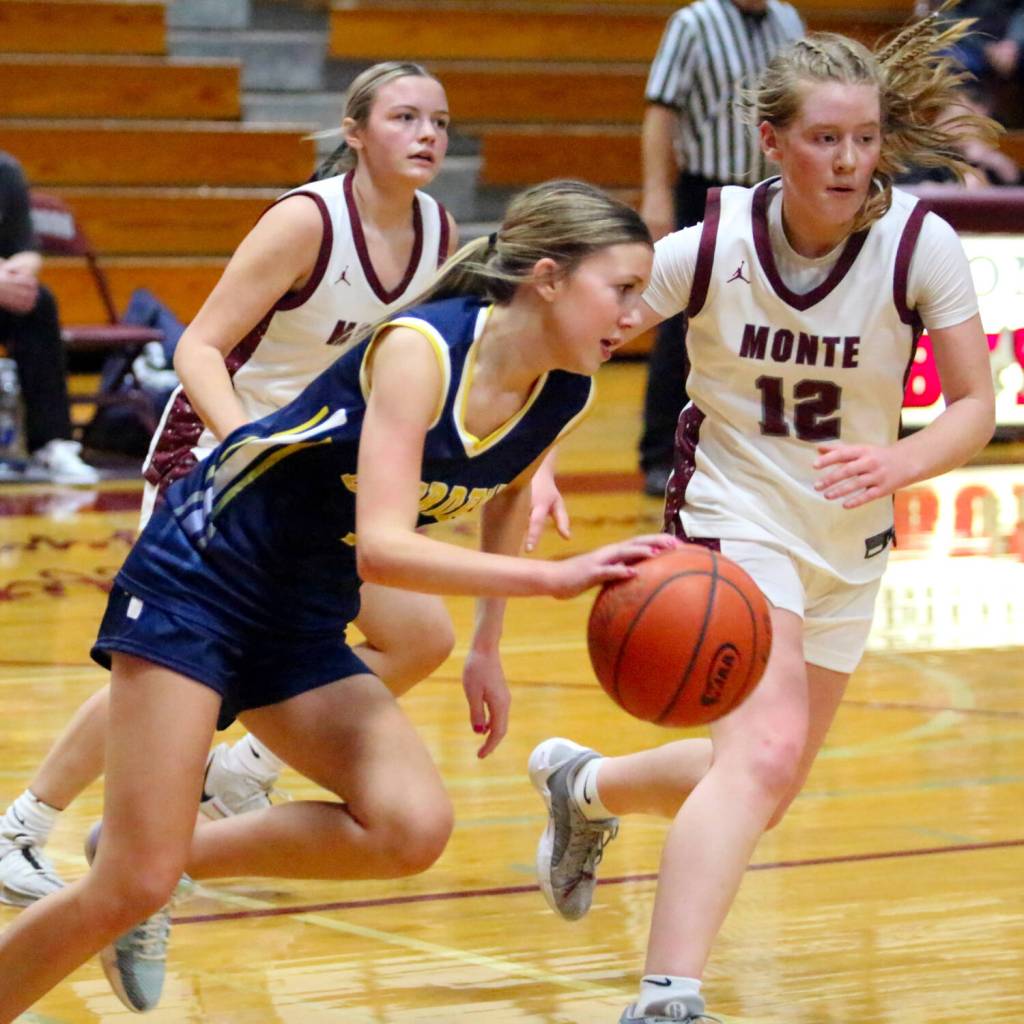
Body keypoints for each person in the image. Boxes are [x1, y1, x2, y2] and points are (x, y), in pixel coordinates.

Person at [0, 177, 677, 1021]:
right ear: (547, 277)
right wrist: (551, 580)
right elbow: (388, 547)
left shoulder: (567, 386)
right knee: (128, 887)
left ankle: (173, 854)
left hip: (302, 603)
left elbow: (504, 494)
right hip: (205, 572)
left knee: (410, 827)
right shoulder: (421, 349)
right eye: (619, 289)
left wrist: (486, 649)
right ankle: (138, 868)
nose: (633, 312)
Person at [529, 11, 998, 1023]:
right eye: (824, 138)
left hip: (848, 535)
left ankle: (586, 789)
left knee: (762, 775)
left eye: (863, 137)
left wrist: (898, 458)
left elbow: (974, 407)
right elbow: (580, 334)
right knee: (765, 753)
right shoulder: (710, 245)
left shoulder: (920, 244)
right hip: (731, 512)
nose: (847, 158)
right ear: (772, 143)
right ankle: (667, 995)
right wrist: (539, 457)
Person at [0, 61, 462, 907]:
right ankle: (22, 825)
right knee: (168, 666)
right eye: (404, 118)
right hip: (219, 456)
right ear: (354, 134)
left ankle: (242, 772)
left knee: (421, 633)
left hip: (322, 477)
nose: (427, 134)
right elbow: (197, 346)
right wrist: (248, 444)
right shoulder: (306, 222)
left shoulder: (438, 233)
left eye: (438, 121)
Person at [638, 0, 804, 496]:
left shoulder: (789, 19)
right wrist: (655, 191)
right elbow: (660, 110)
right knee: (678, 324)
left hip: (774, 194)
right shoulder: (692, 23)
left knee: (771, 320)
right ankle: (657, 453)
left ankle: (762, 448)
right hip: (705, 190)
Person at [0, 151, 99, 484]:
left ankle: (51, 444)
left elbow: (25, 249)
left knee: (37, 302)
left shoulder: (5, 170)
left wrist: (17, 275)